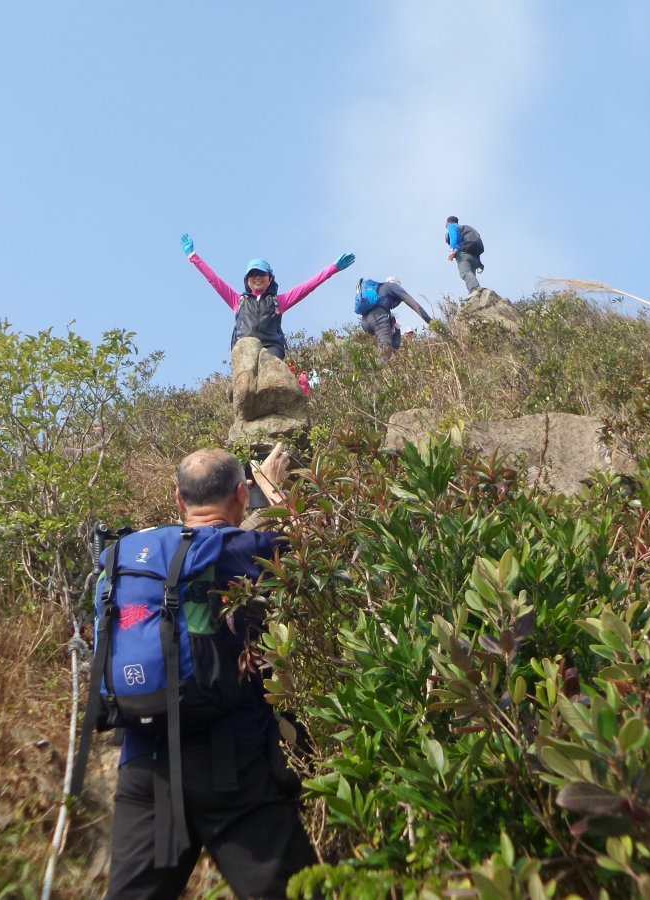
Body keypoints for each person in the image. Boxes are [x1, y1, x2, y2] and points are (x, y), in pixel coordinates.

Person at [105, 444, 316, 900]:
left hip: (146, 766)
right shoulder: (243, 548)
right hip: (232, 769)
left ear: (179, 499)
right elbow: (307, 551)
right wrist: (278, 497)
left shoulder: (135, 557)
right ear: (241, 494)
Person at [182, 233, 355, 359]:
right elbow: (214, 280)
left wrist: (333, 268)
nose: (257, 277)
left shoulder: (278, 302)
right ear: (247, 280)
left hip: (272, 347)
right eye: (253, 274)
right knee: (245, 375)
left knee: (270, 370)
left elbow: (308, 286)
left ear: (270, 278)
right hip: (245, 347)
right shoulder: (238, 301)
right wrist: (193, 256)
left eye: (261, 274)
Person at [357, 276, 432, 353]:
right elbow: (412, 302)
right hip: (378, 318)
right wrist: (430, 322)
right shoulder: (392, 286)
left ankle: (392, 355)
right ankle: (390, 357)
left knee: (393, 331)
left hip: (365, 322)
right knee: (385, 350)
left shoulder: (379, 289)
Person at [445, 215, 485, 293]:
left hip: (463, 255)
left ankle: (475, 289)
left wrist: (451, 251)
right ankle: (474, 294)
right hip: (474, 258)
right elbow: (474, 246)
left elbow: (454, 237)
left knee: (465, 273)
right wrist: (479, 263)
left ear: (447, 223)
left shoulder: (452, 226)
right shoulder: (466, 229)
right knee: (471, 276)